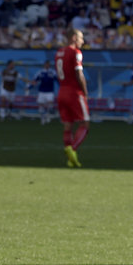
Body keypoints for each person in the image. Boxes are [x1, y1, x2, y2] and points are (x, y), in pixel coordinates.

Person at [54, 28, 89, 168]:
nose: (83, 41)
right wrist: (85, 91)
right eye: (81, 38)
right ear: (74, 38)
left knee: (68, 125)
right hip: (74, 92)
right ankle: (72, 149)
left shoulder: (59, 53)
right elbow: (79, 74)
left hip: (62, 91)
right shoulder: (76, 52)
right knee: (85, 124)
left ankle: (70, 160)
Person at [27, 60, 59, 125]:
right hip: (41, 91)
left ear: (49, 65)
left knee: (50, 104)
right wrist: (29, 87)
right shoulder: (40, 72)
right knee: (41, 105)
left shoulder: (52, 72)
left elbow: (58, 80)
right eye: (46, 64)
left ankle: (47, 115)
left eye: (48, 64)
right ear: (44, 65)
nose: (47, 65)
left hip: (50, 91)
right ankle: (43, 118)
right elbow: (35, 81)